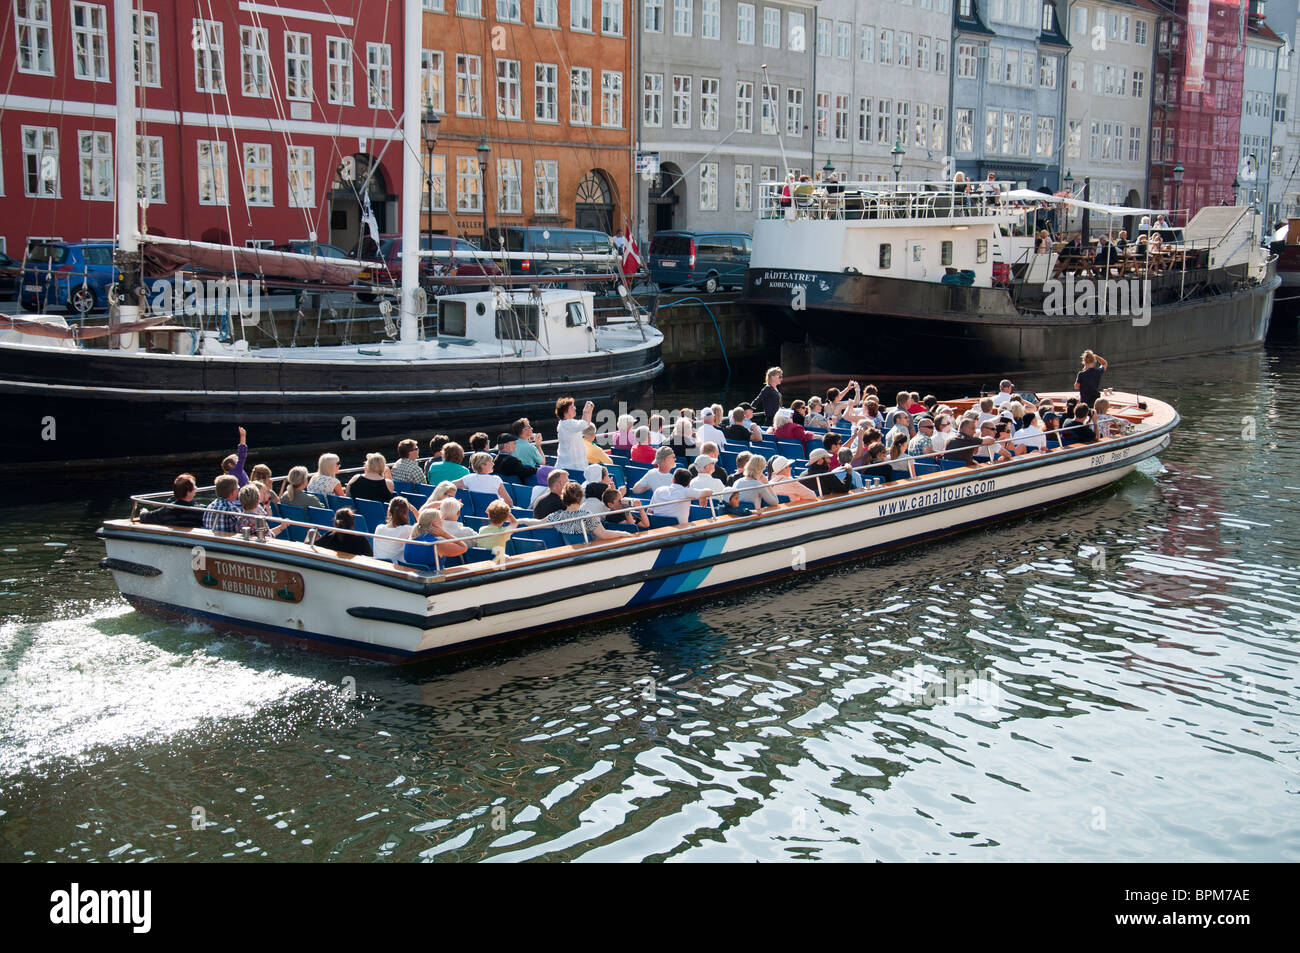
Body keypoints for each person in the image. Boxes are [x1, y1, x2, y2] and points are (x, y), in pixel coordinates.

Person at [545, 482, 625, 541]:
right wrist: (624, 534)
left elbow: (538, 522)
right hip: (587, 553)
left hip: (569, 553)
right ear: (581, 497)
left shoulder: (556, 516)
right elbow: (604, 534)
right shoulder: (588, 517)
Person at [140, 473, 207, 527]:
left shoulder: (166, 510)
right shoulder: (200, 511)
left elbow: (145, 517)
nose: (196, 488)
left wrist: (143, 512)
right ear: (188, 492)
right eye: (194, 487)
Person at [554, 397, 595, 472]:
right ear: (565, 411)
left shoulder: (566, 423)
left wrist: (589, 410)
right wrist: (586, 411)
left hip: (567, 464)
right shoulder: (568, 423)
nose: (575, 408)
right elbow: (585, 424)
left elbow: (584, 423)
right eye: (572, 407)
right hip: (572, 466)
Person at [372, 496, 413, 561]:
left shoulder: (379, 528)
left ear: (389, 511)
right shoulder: (406, 529)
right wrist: (413, 509)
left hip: (377, 565)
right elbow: (422, 525)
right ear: (406, 513)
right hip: (393, 568)